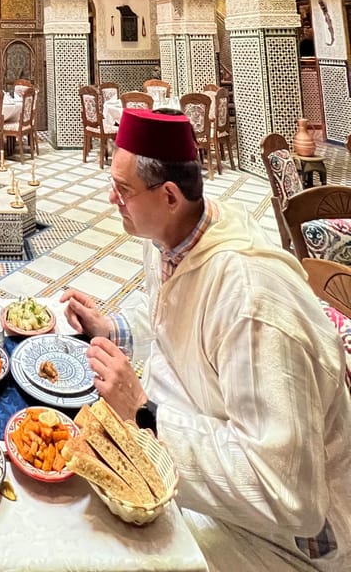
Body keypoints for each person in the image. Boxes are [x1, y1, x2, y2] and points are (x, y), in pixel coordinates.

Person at [61, 108, 351, 571]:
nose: (111, 198)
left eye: (124, 190)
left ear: (170, 195)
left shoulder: (252, 299)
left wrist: (143, 413)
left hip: (278, 542)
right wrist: (111, 328)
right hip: (191, 466)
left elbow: (287, 493)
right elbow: (172, 317)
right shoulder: (172, 237)